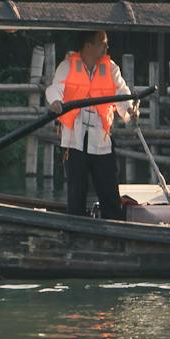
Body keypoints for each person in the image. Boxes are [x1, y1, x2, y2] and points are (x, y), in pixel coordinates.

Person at [46, 29, 135, 217]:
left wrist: (130, 110)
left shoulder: (111, 68)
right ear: (89, 46)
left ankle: (114, 231)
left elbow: (122, 93)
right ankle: (76, 231)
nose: (106, 47)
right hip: (74, 140)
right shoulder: (68, 65)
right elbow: (55, 88)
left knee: (109, 192)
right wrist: (55, 102)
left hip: (101, 141)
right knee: (76, 193)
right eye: (102, 43)